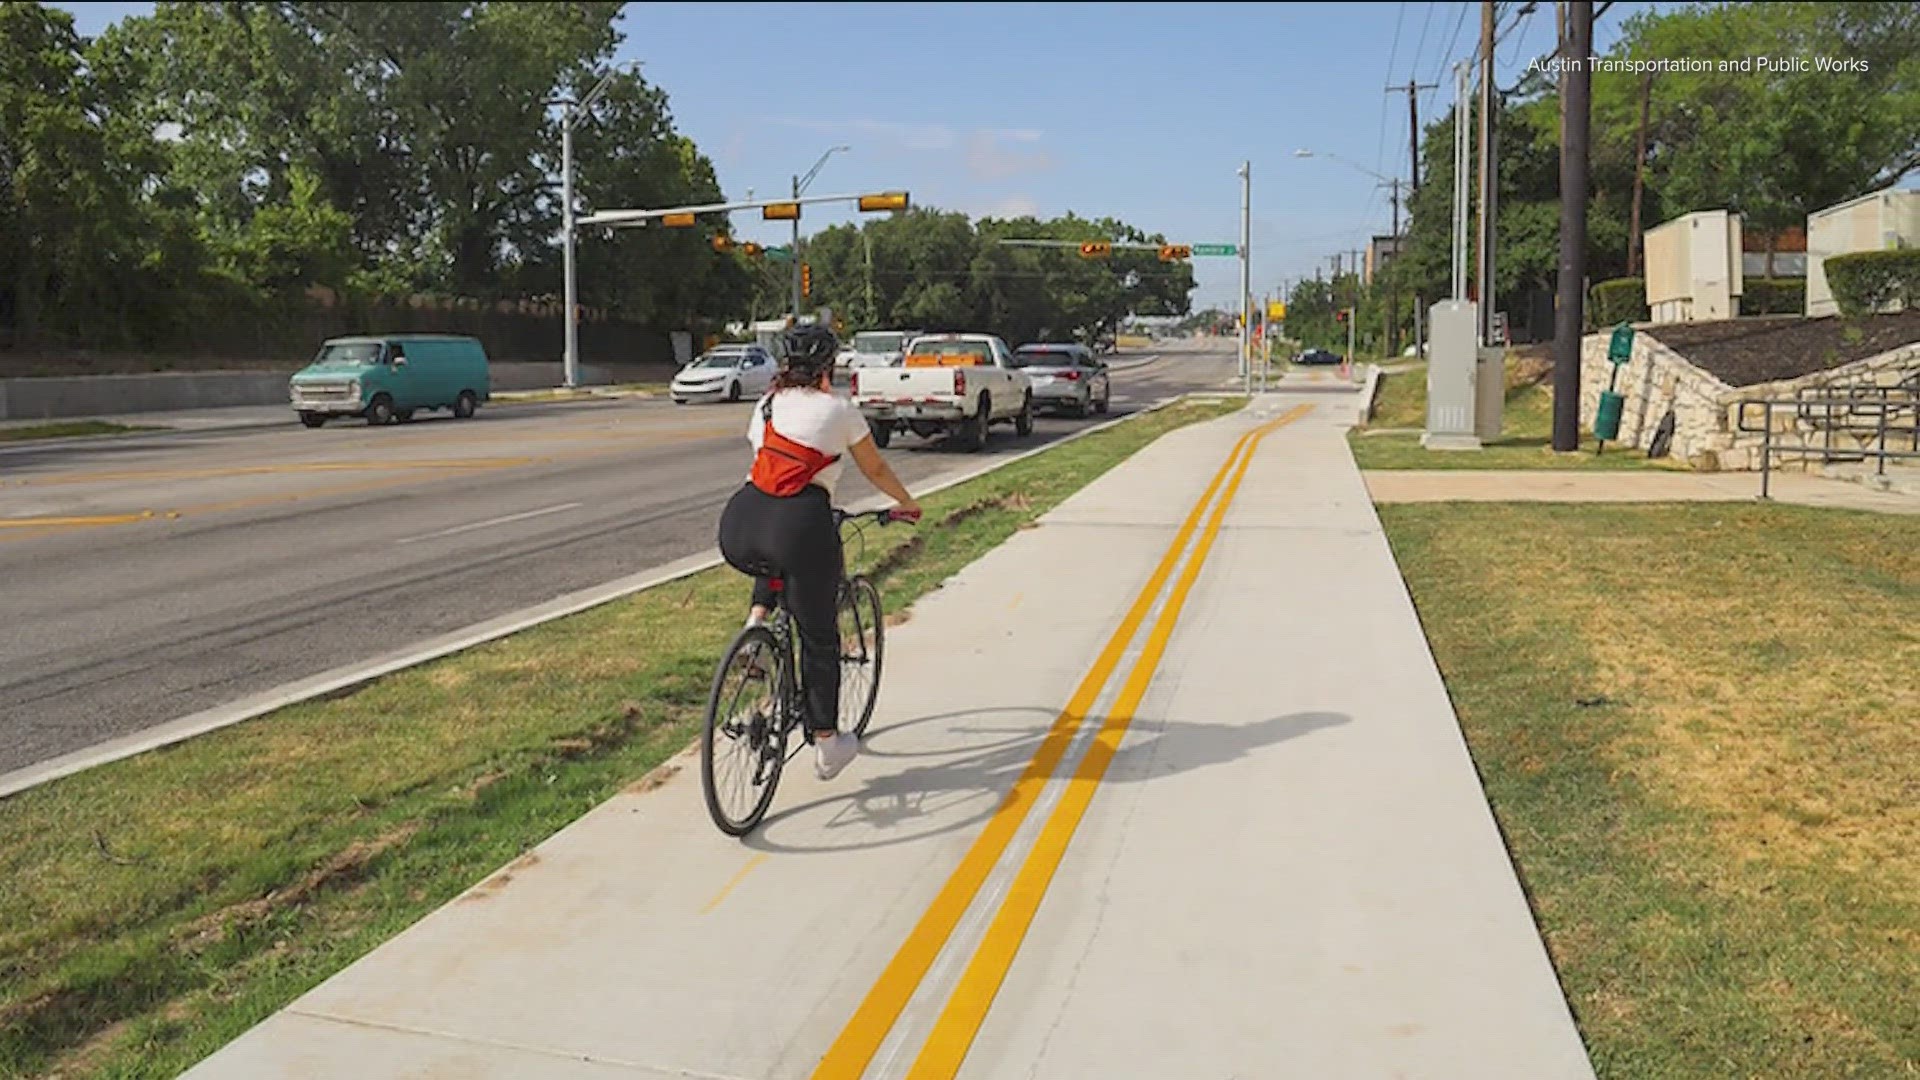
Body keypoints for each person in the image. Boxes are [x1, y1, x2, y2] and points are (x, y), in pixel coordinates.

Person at [716, 324, 921, 780]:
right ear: (829, 366)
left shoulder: (766, 404)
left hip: (740, 522)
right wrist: (906, 502)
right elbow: (876, 466)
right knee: (819, 636)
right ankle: (827, 743)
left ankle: (756, 625)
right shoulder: (840, 409)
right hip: (802, 525)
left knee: (774, 559)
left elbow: (769, 464)